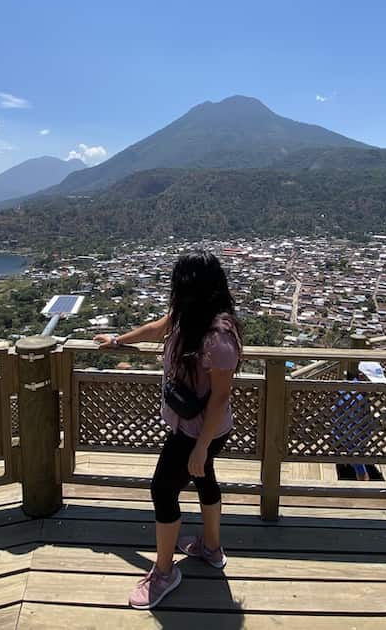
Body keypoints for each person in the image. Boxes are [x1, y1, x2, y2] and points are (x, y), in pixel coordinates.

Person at [94, 250, 241, 611]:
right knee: (205, 480)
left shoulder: (219, 336)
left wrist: (200, 448)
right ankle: (210, 547)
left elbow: (220, 398)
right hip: (193, 428)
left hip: (200, 432)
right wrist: (117, 342)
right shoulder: (187, 316)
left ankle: (164, 572)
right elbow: (157, 328)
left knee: (162, 490)